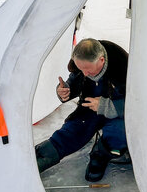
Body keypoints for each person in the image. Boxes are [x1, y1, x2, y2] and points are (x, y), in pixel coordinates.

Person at [35, 38, 128, 182]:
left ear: (101, 60)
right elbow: (74, 82)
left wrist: (106, 106)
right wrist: (66, 91)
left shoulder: (123, 66)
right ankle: (41, 155)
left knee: (119, 132)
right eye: (81, 69)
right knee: (74, 130)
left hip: (119, 113)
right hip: (90, 107)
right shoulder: (84, 63)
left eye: (88, 70)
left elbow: (138, 102)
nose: (84, 73)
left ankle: (101, 154)